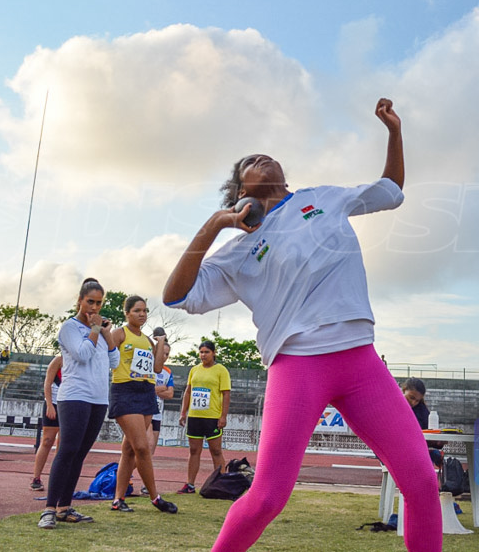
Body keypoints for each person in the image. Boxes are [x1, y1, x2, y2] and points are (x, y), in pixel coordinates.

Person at [163, 98, 441, 550]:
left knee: (423, 481)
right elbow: (176, 296)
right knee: (268, 498)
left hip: (361, 361)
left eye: (262, 156)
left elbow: (391, 190)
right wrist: (215, 226)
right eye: (247, 164)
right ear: (241, 196)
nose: (259, 157)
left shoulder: (323, 198)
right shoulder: (235, 253)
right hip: (298, 366)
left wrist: (394, 132)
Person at [38, 278, 119, 530]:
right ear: (80, 301)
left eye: (98, 303)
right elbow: (83, 355)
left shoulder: (101, 330)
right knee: (67, 450)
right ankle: (49, 509)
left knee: (80, 454)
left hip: (98, 398)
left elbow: (114, 362)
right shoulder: (69, 328)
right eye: (90, 302)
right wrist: (95, 330)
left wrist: (105, 332)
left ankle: (64, 507)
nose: (94, 307)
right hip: (74, 396)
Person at [106, 296, 178, 514]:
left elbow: (157, 368)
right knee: (142, 447)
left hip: (146, 392)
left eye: (145, 311)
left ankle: (118, 499)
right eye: (137, 310)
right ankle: (155, 497)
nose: (142, 314)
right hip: (126, 390)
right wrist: (103, 332)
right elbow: (107, 356)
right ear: (127, 313)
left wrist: (160, 343)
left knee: (129, 450)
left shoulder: (147, 340)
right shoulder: (120, 333)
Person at [175, 340, 230, 494]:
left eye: (207, 352)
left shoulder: (221, 370)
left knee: (216, 450)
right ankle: (190, 484)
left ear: (214, 353)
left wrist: (223, 416)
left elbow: (226, 394)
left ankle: (222, 483)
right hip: (195, 416)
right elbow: (188, 391)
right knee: (194, 450)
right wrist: (183, 412)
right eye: (201, 352)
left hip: (212, 416)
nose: (203, 355)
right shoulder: (194, 370)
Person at [31, 355, 63, 491]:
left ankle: (56, 479)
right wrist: (49, 404)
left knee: (62, 445)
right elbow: (48, 383)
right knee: (47, 440)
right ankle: (36, 477)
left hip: (69, 404)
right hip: (54, 403)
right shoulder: (58, 360)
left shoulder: (80, 359)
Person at [150, 341, 175, 456]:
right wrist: (163, 387)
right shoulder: (148, 366)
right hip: (144, 411)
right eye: (162, 353)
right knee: (142, 447)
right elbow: (146, 390)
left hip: (157, 414)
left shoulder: (168, 372)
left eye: (167, 354)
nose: (164, 357)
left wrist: (156, 389)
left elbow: (170, 394)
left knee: (151, 450)